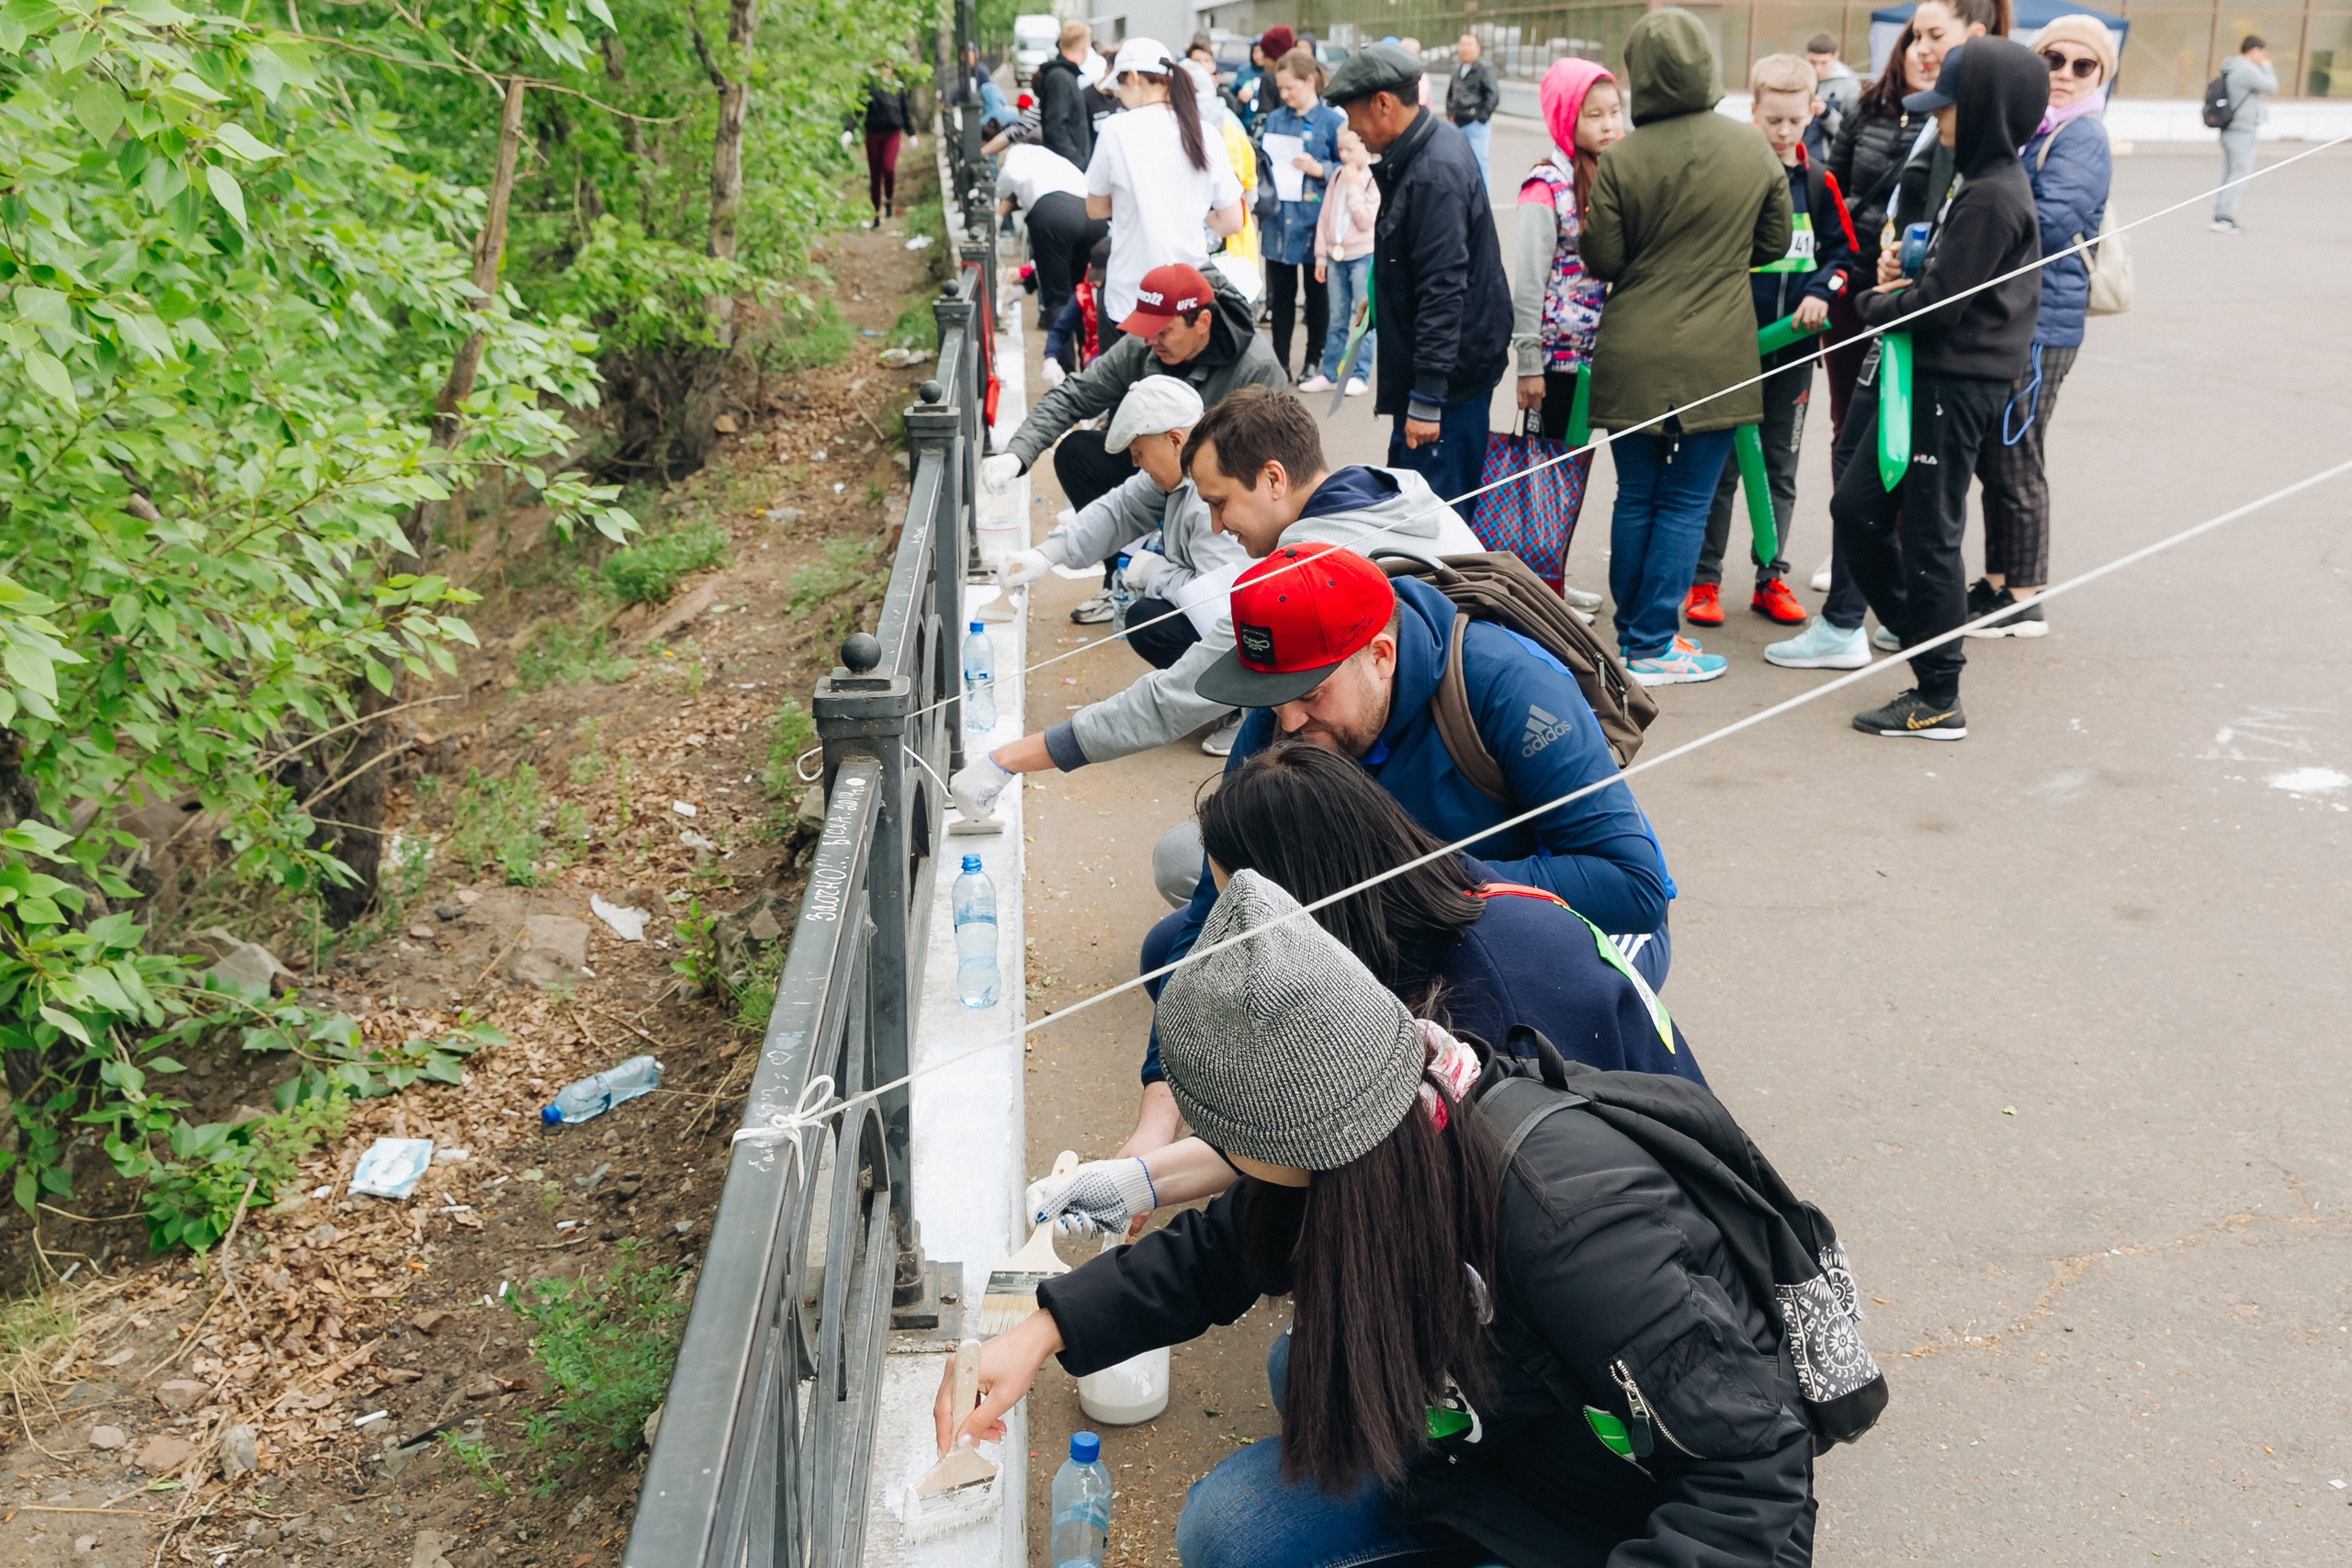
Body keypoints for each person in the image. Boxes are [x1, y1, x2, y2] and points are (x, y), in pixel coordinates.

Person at [943, 873, 1816, 1568]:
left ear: (1289, 1134)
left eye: (1228, 1136)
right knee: (1229, 1526)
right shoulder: (1379, 1127)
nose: (1219, 1159)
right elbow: (1229, 1245)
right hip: (1498, 1450)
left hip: (1609, 1510)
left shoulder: (1574, 1223)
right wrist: (1042, 1329)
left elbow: (1753, 1480)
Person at [1024, 740, 1701, 1240]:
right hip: (1546, 1181)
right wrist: (1143, 1179)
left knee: (1302, 1355)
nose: (1232, 929)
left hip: (1632, 1230)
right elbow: (1319, 1127)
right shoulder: (1418, 905)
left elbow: (1335, 1147)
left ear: (1305, 895)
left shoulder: (1482, 1003)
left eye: (1241, 906)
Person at [1828, 39, 2046, 741]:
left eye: (1948, 106)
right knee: (1857, 508)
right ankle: (1927, 637)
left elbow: (1940, 307)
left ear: (1984, 110)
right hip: (1932, 376)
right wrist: (1906, 277)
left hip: (1956, 382)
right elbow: (1941, 284)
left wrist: (1871, 303)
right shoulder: (1974, 180)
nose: (1939, 119)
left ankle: (1938, 691)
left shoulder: (1991, 193)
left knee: (1930, 534)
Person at [1581, 7, 1791, 688]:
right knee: (1686, 502)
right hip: (1717, 351)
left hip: (1632, 346)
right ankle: (1654, 642)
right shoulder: (1753, 148)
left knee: (1636, 494)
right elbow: (1774, 244)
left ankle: (1630, 634)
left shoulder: (1621, 159)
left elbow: (1603, 257)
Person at [952, 380, 1253, 829]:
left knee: (1150, 619)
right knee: (1147, 612)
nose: (1133, 462)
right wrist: (1046, 554)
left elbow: (1222, 602)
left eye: (1138, 449)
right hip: (1224, 615)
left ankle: (1240, 709)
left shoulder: (1207, 499)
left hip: (1238, 628)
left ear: (1175, 441)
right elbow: (1119, 508)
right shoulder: (1179, 476)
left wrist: (1157, 575)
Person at [981, 261, 1282, 622]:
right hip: (1177, 466)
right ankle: (1119, 578)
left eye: (1162, 332)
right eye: (1146, 331)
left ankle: (1174, 568)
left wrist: (1161, 574)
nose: (1149, 342)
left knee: (1184, 600)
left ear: (1202, 323)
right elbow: (1079, 399)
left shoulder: (1258, 370)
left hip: (1231, 489)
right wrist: (1019, 455)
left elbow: (1257, 485)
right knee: (1078, 453)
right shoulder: (1148, 347)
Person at [1689, 55, 1857, 634]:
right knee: (1723, 469)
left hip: (1794, 354)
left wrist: (1821, 293)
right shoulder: (1734, 176)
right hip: (1735, 353)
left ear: (1812, 111)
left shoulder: (1820, 181)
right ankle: (1703, 580)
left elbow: (1843, 257)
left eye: (1795, 120)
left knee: (1780, 467)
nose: (1785, 133)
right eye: (1773, 120)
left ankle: (1771, 577)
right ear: (1753, 112)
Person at [1966, 14, 2114, 641]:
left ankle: (2023, 598)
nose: (2066, 76)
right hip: (2017, 312)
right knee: (1998, 453)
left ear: (2101, 77)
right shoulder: (2033, 128)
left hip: (2044, 320)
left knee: (2015, 454)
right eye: (2054, 60)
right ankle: (2000, 581)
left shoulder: (2081, 136)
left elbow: (2049, 224)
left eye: (2085, 67)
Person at [1322, 42, 1513, 515]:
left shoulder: (1433, 172)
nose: (1351, 130)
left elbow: (1444, 289)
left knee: (1435, 520)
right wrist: (1380, 294)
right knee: (1409, 501)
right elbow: (1412, 256)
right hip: (1446, 368)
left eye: (1352, 115)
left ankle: (1442, 593)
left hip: (1449, 380)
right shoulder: (1424, 146)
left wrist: (1427, 398)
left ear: (1384, 103)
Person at [1260, 50, 1345, 381]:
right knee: (1280, 297)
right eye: (1280, 89)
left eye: (1289, 88)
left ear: (1310, 82)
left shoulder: (1333, 123)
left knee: (1316, 295)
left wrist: (1321, 168)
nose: (1283, 95)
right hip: (1279, 219)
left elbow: (1354, 165)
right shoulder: (1276, 120)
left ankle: (1314, 359)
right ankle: (1280, 363)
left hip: (1316, 223)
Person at [994, 140, 1102, 380]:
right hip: (1090, 213)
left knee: (1057, 297)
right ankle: (1092, 372)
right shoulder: (1050, 158)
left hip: (1053, 213)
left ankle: (1064, 374)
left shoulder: (1016, 155)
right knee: (1084, 293)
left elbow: (1005, 183)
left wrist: (1000, 201)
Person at [1302, 127, 1378, 397]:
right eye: (1340, 149)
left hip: (1362, 256)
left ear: (1365, 145)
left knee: (1362, 318)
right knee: (1336, 318)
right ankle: (1330, 373)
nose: (1343, 156)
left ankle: (1359, 373)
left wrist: (1353, 186)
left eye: (1349, 149)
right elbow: (1325, 217)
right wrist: (1321, 255)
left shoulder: (1372, 177)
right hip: (1336, 256)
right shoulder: (1336, 175)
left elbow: (1366, 219)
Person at [2212, 36, 2276, 233]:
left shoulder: (2231, 66)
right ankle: (2223, 218)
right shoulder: (2246, 69)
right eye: (2262, 53)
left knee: (2230, 173)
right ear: (2255, 51)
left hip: (2230, 129)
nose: (2264, 57)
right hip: (2241, 130)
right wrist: (2267, 68)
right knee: (2238, 175)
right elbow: (2271, 87)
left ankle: (2221, 214)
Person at [1035, 20, 1095, 169]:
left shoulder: (1062, 75)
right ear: (1084, 48)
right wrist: (1078, 161)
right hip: (1067, 169)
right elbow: (1055, 127)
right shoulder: (1060, 77)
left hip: (1067, 166)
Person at [856, 67, 911, 228]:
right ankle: (876, 211)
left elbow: (904, 111)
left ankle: (889, 199)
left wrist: (911, 132)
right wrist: (848, 129)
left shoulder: (897, 87)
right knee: (875, 173)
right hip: (873, 133)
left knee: (888, 167)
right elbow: (857, 110)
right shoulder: (869, 88)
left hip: (892, 133)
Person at [1445, 31, 1500, 182]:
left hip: (1476, 125)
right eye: (1462, 44)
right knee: (1458, 162)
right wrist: (1450, 113)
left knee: (1479, 164)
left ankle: (1483, 200)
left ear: (1478, 48)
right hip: (1457, 123)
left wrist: (1481, 117)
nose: (1465, 48)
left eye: (1469, 45)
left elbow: (1493, 95)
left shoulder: (1484, 69)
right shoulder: (1458, 68)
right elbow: (1451, 93)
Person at [1804, 31, 1860, 161]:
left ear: (1835, 56)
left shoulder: (1849, 86)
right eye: (1813, 62)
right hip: (1797, 161)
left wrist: (1826, 114)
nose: (1817, 69)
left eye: (1823, 63)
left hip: (1828, 164)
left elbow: (1853, 133)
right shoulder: (1799, 79)